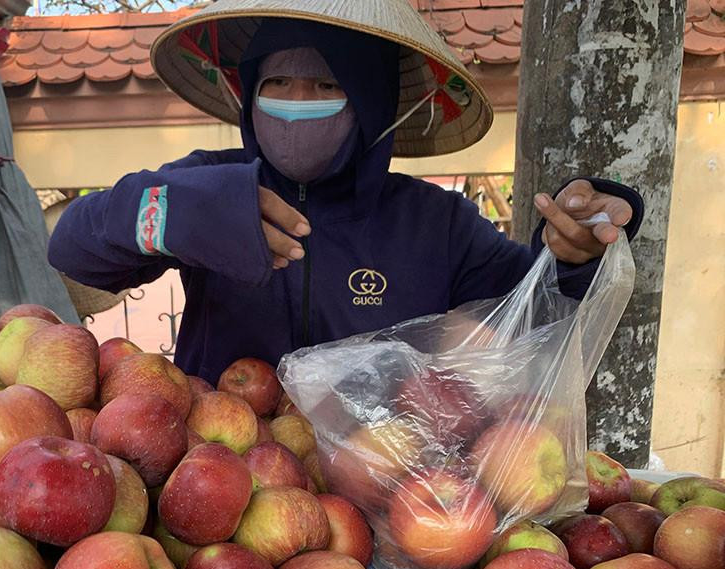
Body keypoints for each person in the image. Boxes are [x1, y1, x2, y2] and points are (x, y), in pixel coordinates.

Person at [48, 5, 643, 386]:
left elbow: (535, 310)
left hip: (386, 493)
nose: (296, 100)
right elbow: (74, 248)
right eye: (276, 81)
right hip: (216, 480)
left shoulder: (438, 223)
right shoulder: (208, 183)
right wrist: (176, 211)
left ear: (375, 102)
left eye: (328, 83)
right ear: (249, 92)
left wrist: (576, 253)